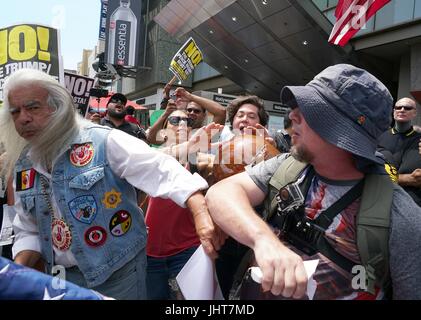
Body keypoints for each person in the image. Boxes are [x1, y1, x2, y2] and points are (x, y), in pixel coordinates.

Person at [0, 69, 223, 300]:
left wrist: (200, 212)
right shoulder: (23, 165)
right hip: (61, 281)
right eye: (15, 112)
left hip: (117, 277)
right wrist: (16, 271)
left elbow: (161, 169)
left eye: (33, 107)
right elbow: (29, 228)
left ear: (58, 107)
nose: (23, 118)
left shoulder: (102, 140)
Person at [206, 64, 421, 300]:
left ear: (342, 131)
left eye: (309, 110)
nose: (292, 115)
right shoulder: (289, 166)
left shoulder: (401, 219)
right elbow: (221, 193)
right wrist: (264, 240)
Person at [145, 110, 223, 300]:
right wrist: (188, 146)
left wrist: (251, 145)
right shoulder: (148, 156)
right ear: (164, 130)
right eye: (175, 119)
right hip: (150, 249)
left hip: (188, 247)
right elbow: (158, 158)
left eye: (187, 121)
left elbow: (228, 158)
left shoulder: (198, 160)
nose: (182, 124)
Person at [378, 97, 421, 206]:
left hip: (413, 204)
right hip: (380, 201)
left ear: (414, 113)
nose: (402, 110)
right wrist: (407, 179)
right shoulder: (379, 138)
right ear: (393, 112)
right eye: (398, 107)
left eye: (407, 108)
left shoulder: (419, 139)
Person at [147, 86, 226, 145]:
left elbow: (221, 112)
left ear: (204, 116)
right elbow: (151, 138)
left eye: (196, 111)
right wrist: (165, 113)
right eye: (189, 110)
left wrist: (190, 96)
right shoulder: (174, 135)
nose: (191, 113)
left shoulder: (205, 136)